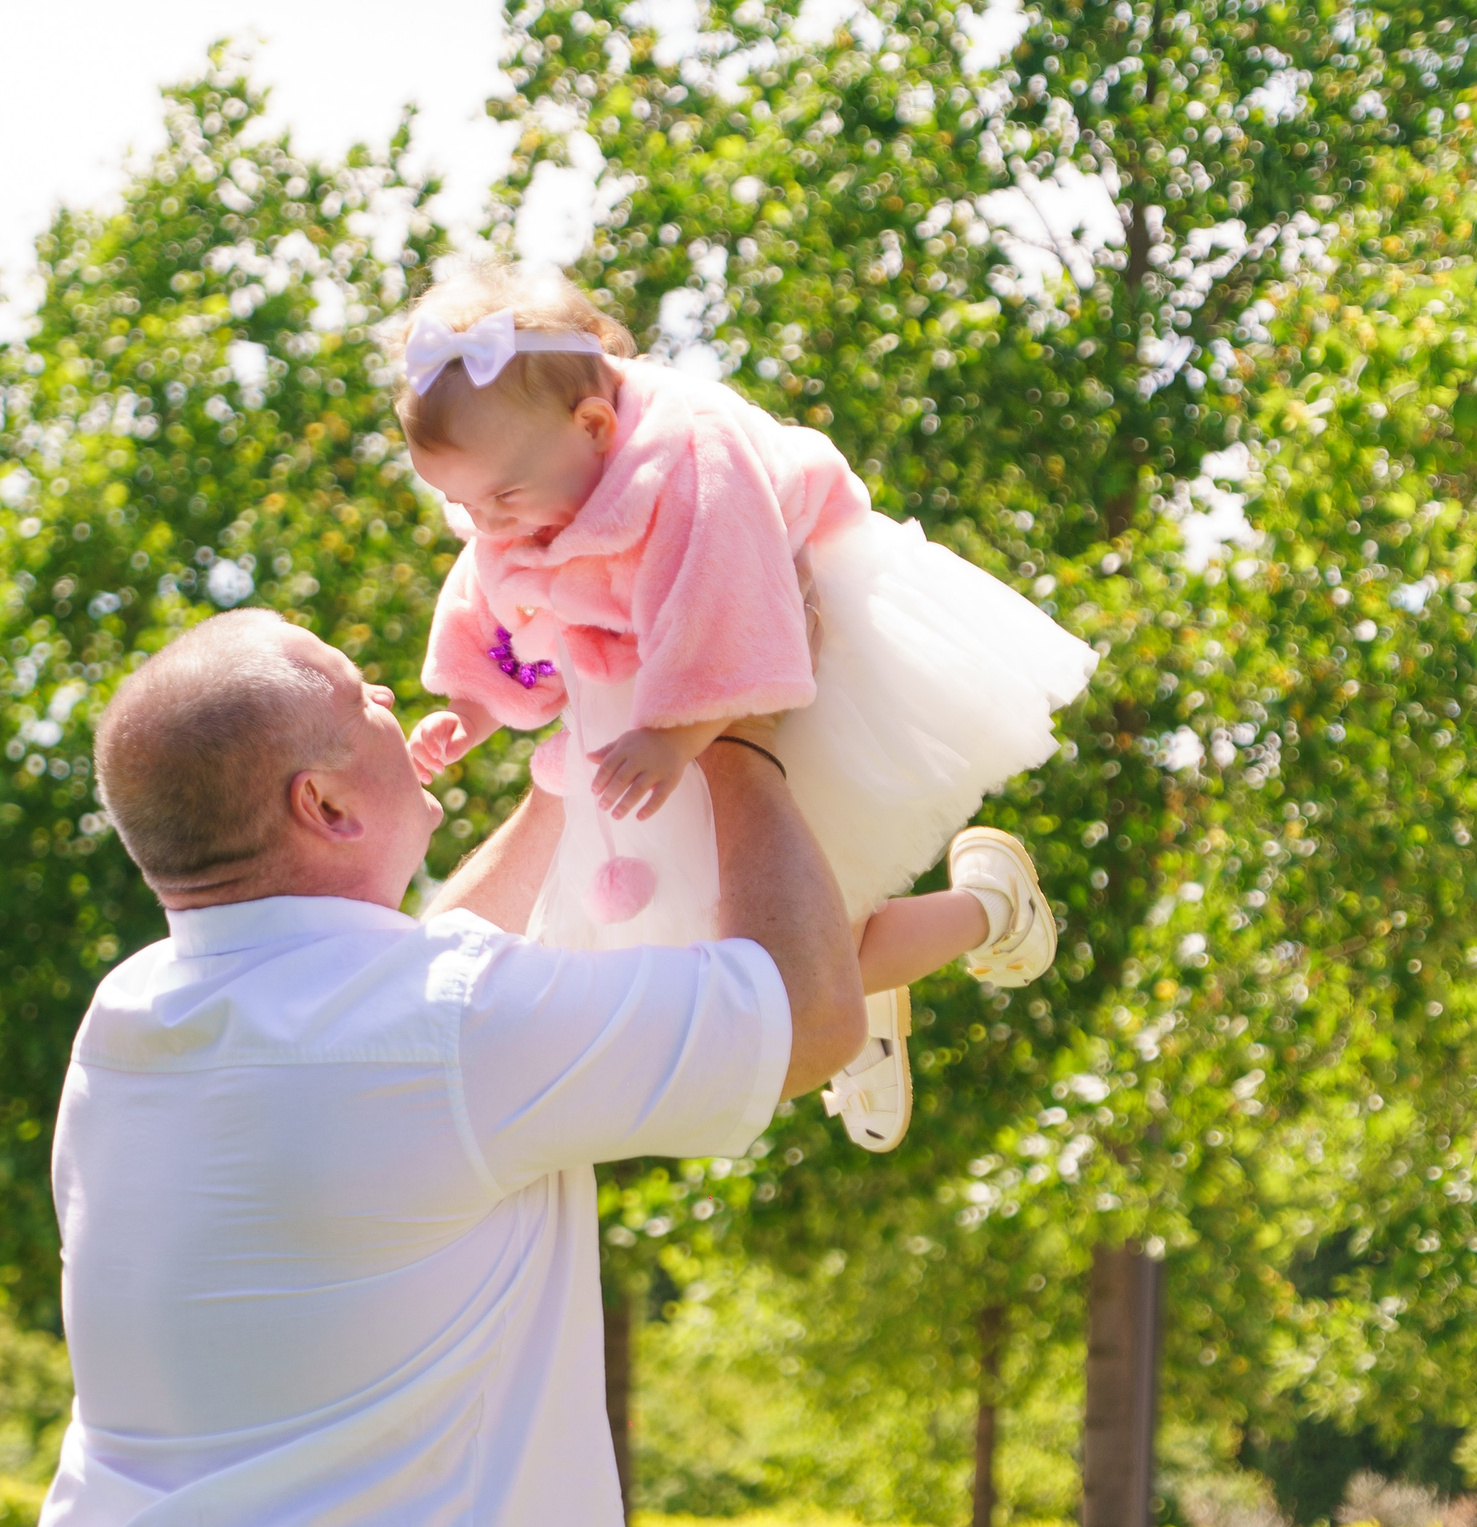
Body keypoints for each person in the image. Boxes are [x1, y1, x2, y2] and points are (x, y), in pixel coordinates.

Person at [21, 608, 869, 1527]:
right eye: (351, 693)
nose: (385, 698)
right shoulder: (444, 1031)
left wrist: (562, 791)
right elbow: (806, 1017)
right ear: (321, 804)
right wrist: (739, 733)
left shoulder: (130, 1014)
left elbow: (421, 997)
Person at [396, 265, 1100, 1150]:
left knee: (780, 940)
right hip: (655, 696)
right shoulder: (522, 492)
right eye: (458, 503)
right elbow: (497, 598)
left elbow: (729, 605)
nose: (486, 523)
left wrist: (679, 733)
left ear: (594, 424)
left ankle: (991, 908)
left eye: (500, 497)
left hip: (781, 656)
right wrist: (479, 703)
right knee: (715, 955)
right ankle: (859, 1003)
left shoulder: (692, 454)